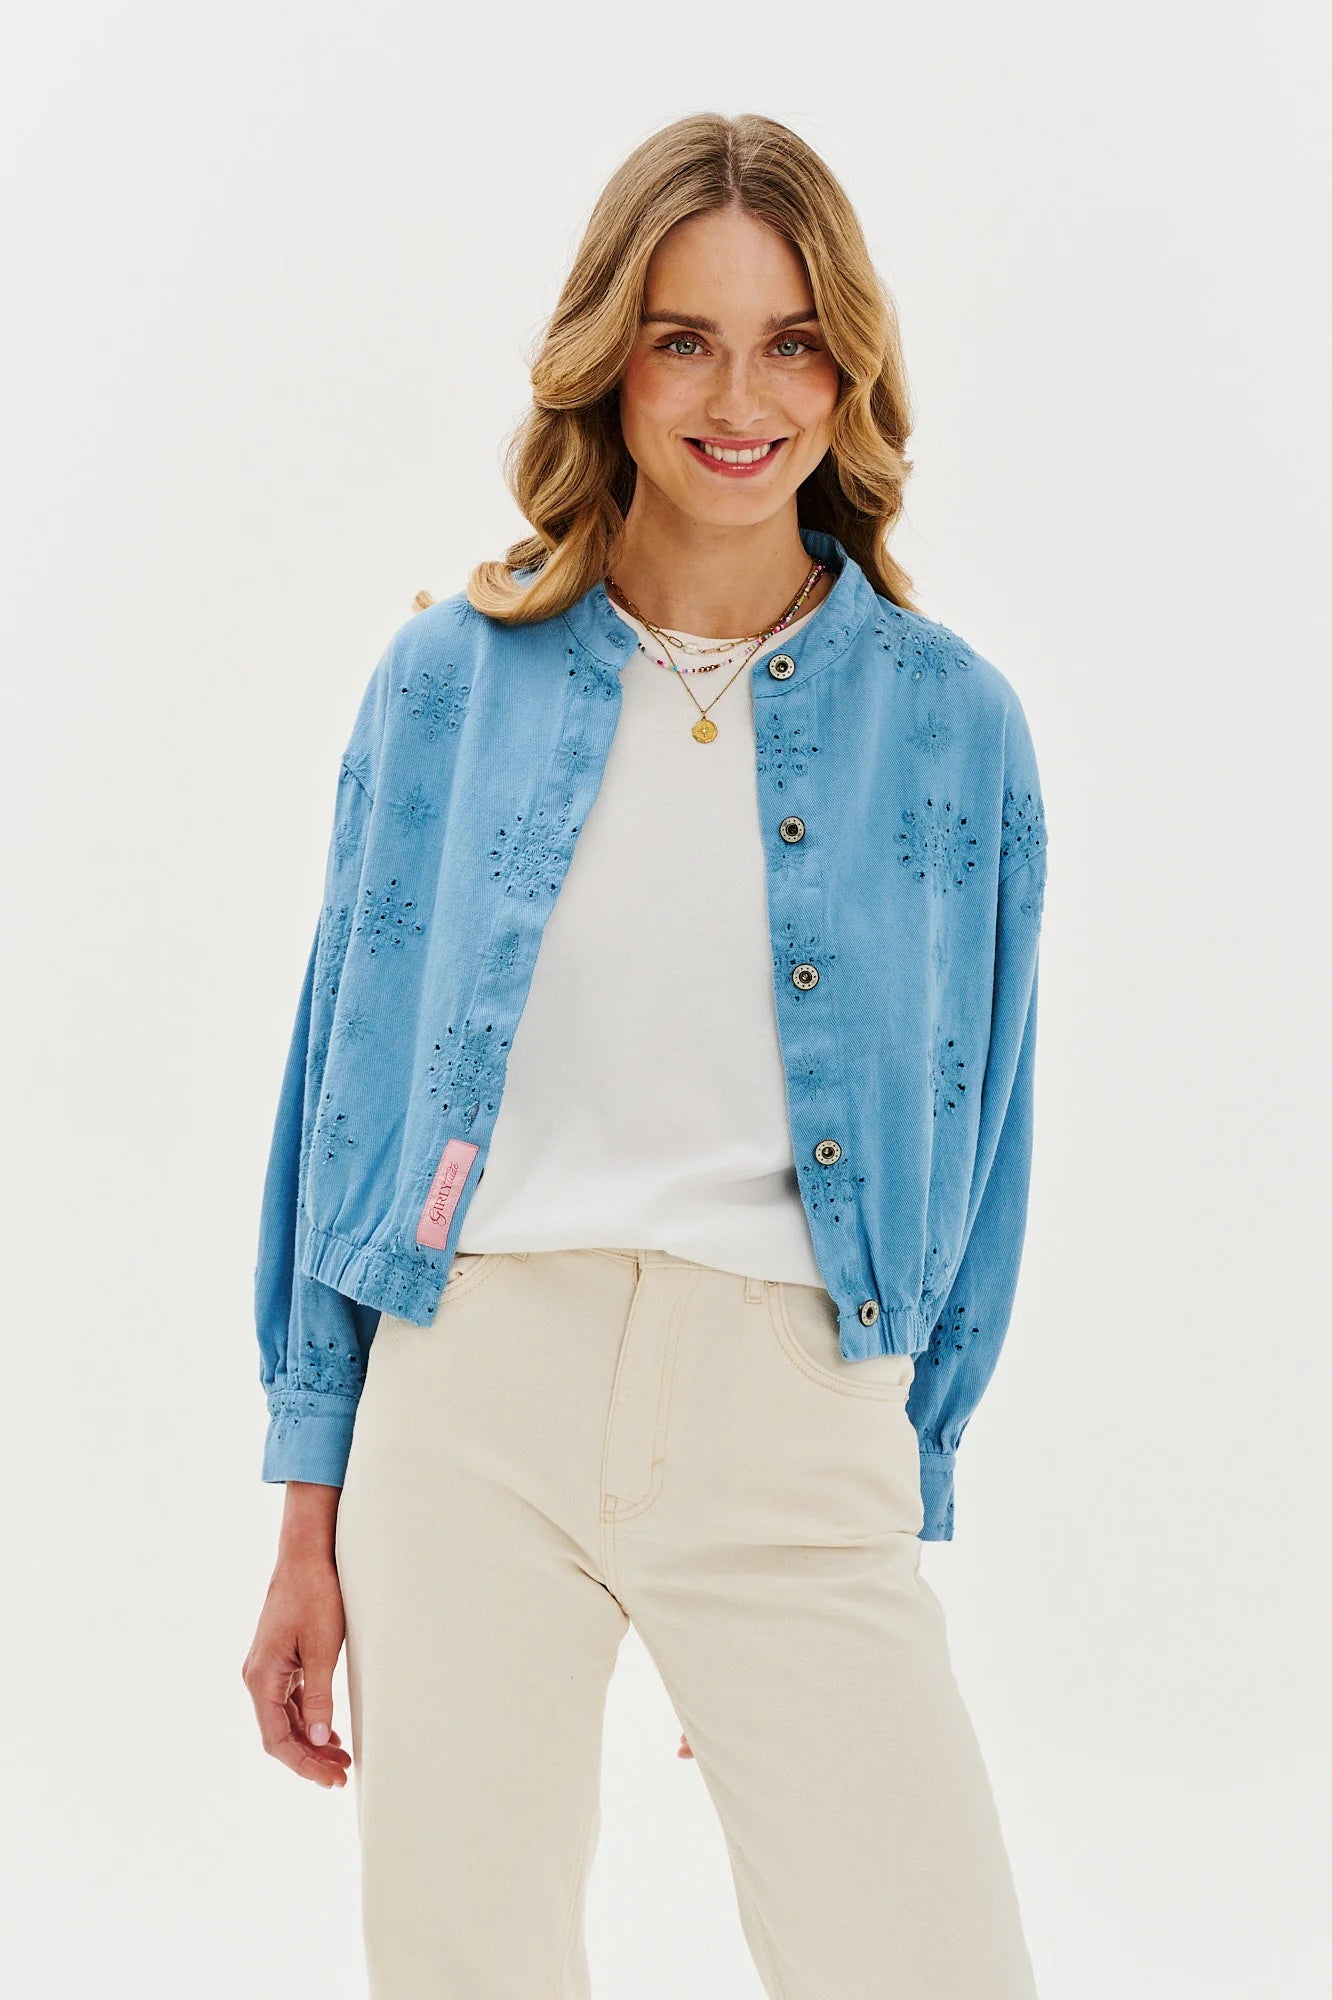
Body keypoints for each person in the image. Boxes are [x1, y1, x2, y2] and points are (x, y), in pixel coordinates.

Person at [242, 111, 1048, 2000]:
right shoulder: (449, 681)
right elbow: (341, 1098)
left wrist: (901, 1468)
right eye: (685, 338)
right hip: (470, 1400)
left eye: (791, 342)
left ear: (849, 371)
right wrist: (308, 1503)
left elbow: (986, 1125)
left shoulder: (954, 728)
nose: (739, 399)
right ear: (611, 357)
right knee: (465, 1966)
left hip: (797, 1410)